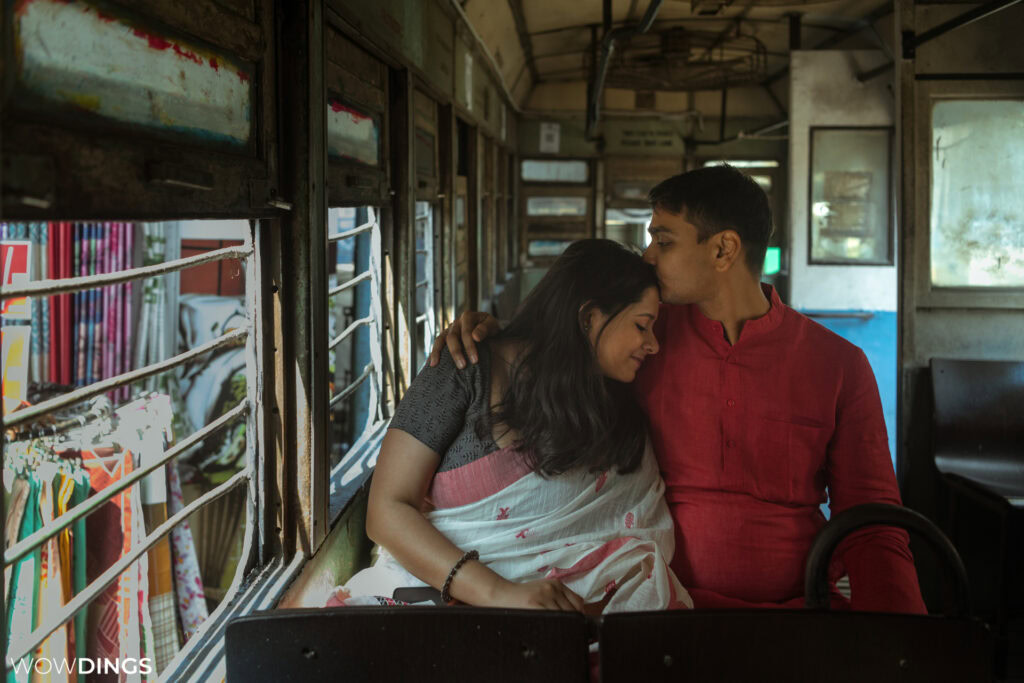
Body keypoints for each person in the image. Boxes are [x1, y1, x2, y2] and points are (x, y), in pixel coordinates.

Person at [434, 165, 927, 614]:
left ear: (722, 250)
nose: (647, 258)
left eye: (663, 241)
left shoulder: (838, 364)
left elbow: (872, 524)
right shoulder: (640, 343)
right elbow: (554, 348)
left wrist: (902, 644)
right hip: (651, 608)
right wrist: (489, 334)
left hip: (798, 611)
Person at [329, 239, 691, 613]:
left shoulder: (617, 409)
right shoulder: (465, 366)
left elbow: (629, 543)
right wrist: (499, 593)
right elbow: (386, 509)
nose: (653, 346)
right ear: (588, 319)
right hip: (437, 599)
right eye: (642, 326)